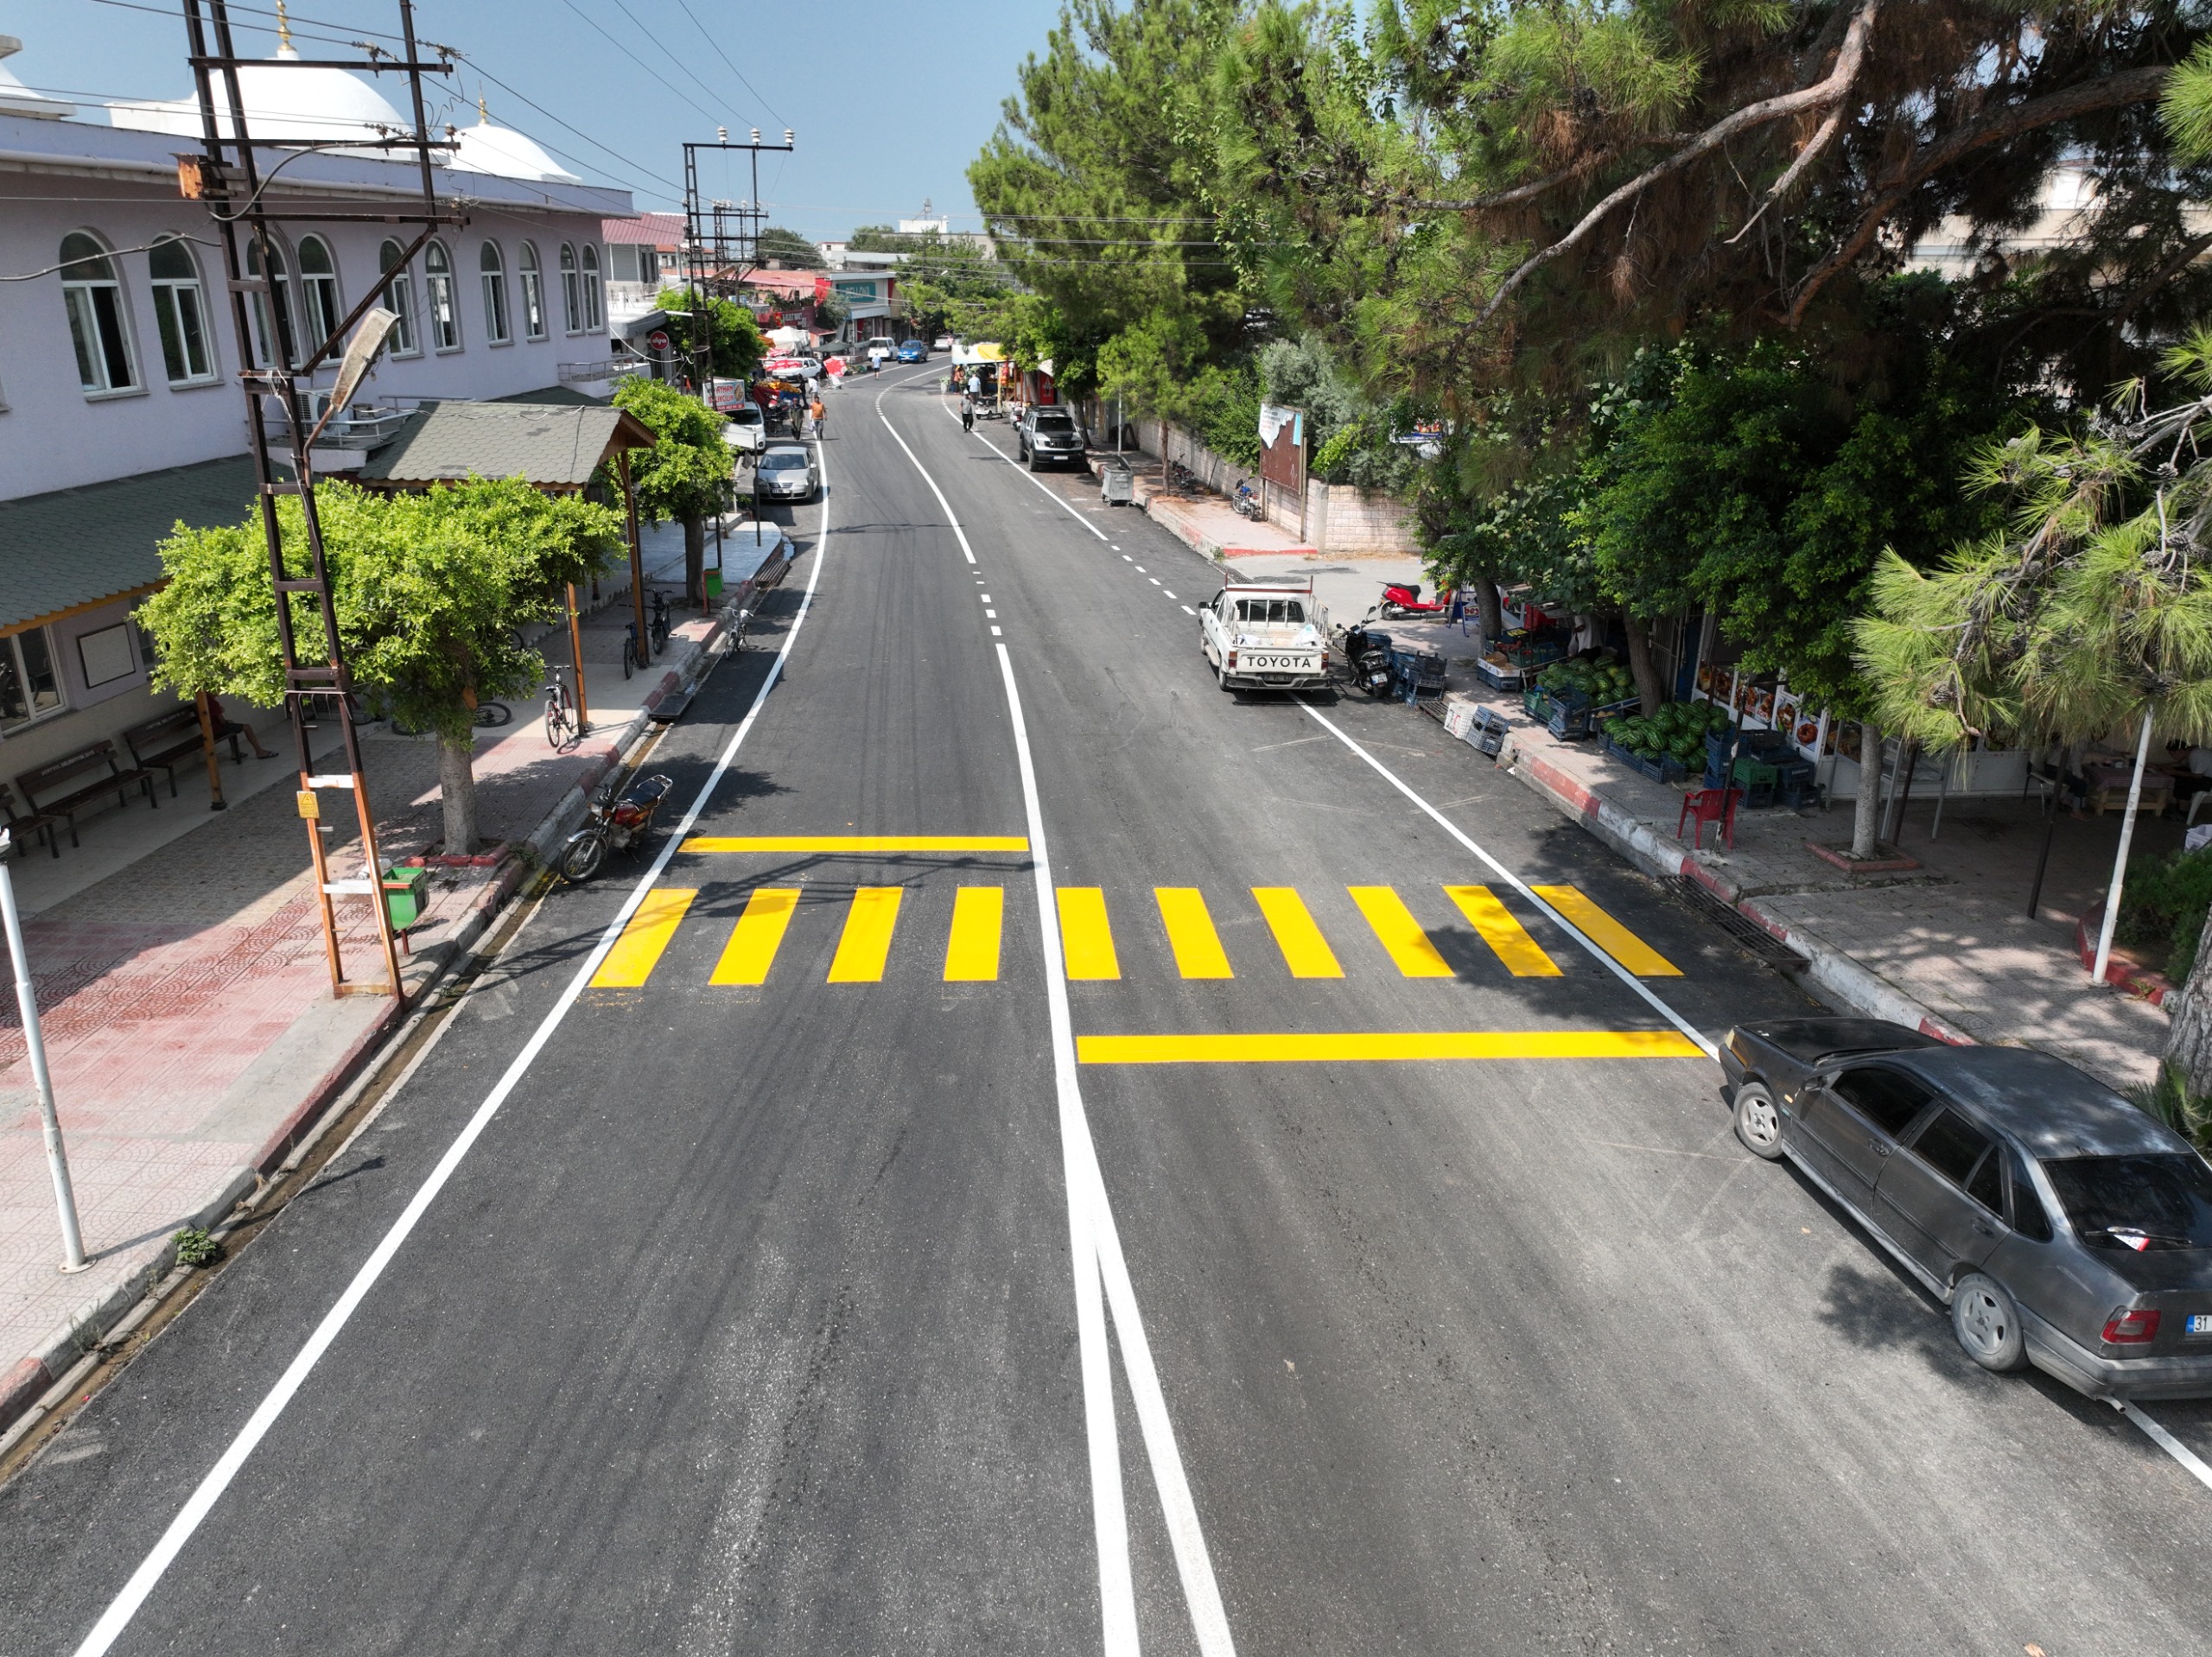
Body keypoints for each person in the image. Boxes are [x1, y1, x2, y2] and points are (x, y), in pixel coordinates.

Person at [203, 693, 278, 760]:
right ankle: (259, 751)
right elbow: (222, 721)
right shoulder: (213, 703)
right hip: (217, 730)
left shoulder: (205, 702)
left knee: (232, 726)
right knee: (247, 727)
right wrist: (223, 714)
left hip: (211, 730)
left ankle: (235, 753)